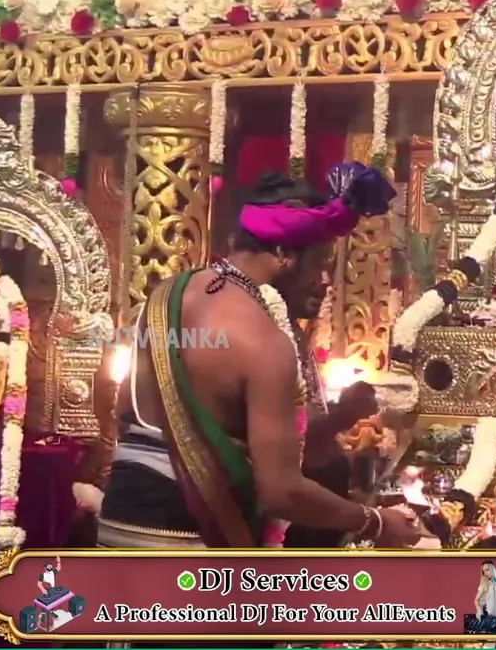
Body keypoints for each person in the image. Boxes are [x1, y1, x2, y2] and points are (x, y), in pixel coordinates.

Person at [99, 164, 419, 552]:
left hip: (116, 527)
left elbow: (120, 408)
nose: (321, 280)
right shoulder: (264, 343)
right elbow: (281, 491)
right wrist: (376, 522)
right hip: (189, 543)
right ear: (283, 252)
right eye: (319, 264)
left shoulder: (166, 296)